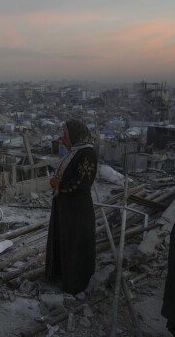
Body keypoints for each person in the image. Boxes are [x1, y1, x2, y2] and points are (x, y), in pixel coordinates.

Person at [45, 119, 97, 294]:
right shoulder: (74, 152)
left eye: (65, 135)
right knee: (62, 242)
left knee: (75, 245)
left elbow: (81, 183)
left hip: (77, 211)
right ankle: (60, 277)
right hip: (65, 208)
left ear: (74, 135)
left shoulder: (87, 153)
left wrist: (58, 186)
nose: (63, 139)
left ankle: (75, 284)